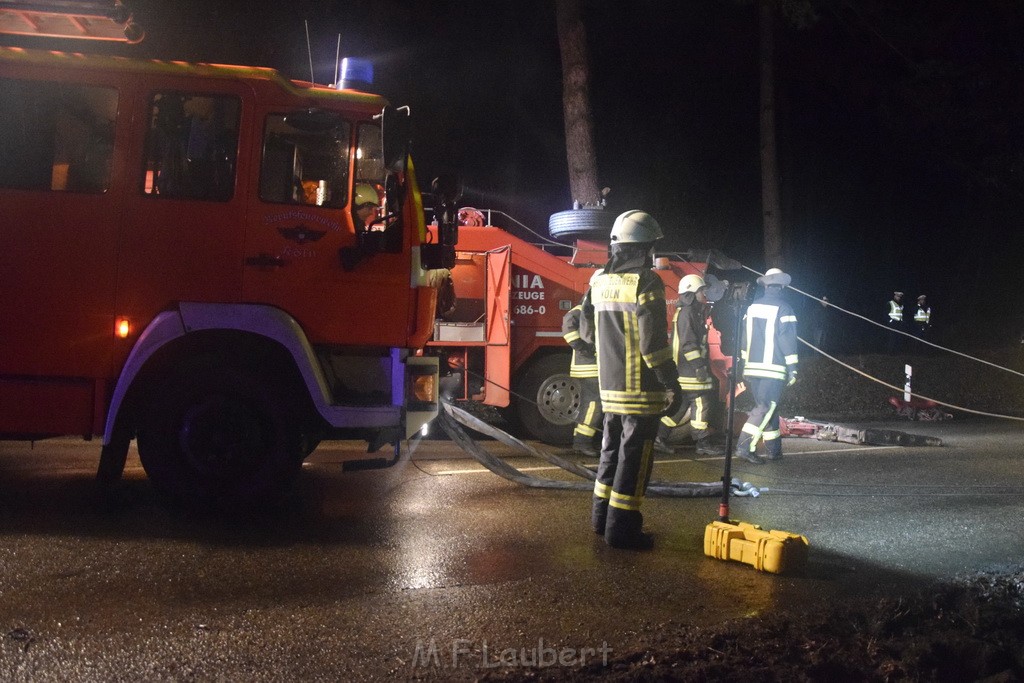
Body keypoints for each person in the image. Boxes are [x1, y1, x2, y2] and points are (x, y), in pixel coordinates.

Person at [581, 210, 683, 550]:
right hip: (640, 390)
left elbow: (585, 329)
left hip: (609, 387)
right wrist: (671, 381)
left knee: (610, 451)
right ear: (645, 247)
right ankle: (622, 531)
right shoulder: (646, 281)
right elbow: (653, 343)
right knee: (635, 460)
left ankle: (601, 520)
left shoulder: (598, 280)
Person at [655, 274, 725, 456]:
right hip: (690, 370)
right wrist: (699, 367)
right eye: (701, 290)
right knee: (702, 402)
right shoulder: (688, 313)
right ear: (692, 293)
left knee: (680, 406)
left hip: (684, 370)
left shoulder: (688, 311)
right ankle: (702, 442)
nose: (705, 293)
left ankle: (659, 437)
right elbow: (689, 344)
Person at [734, 268, 799, 464]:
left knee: (770, 408)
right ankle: (744, 447)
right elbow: (787, 340)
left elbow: (744, 339)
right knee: (765, 407)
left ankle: (774, 451)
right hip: (773, 369)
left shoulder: (752, 308)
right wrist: (792, 368)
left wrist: (744, 363)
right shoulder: (784, 308)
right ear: (781, 286)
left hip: (753, 369)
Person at [562, 297, 602, 457]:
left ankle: (581, 441)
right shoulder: (581, 310)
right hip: (589, 367)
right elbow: (567, 327)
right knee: (594, 404)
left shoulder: (591, 311)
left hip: (592, 367)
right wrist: (583, 348)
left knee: (589, 405)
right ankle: (583, 442)